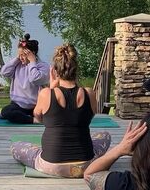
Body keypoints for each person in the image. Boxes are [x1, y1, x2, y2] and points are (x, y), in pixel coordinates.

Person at [10, 43, 111, 178]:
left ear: (55, 71)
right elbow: (87, 117)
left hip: (52, 165)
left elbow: (39, 117)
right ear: (76, 69)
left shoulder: (46, 94)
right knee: (105, 135)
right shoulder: (89, 93)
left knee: (16, 146)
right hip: (85, 165)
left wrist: (52, 87)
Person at [0, 33, 51, 124]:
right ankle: (33, 120)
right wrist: (17, 59)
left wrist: (32, 62)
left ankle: (24, 117)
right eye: (19, 55)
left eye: (23, 55)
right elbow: (4, 72)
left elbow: (34, 79)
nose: (21, 58)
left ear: (32, 54)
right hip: (18, 105)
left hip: (36, 106)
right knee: (6, 111)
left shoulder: (43, 66)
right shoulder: (17, 64)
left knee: (50, 114)